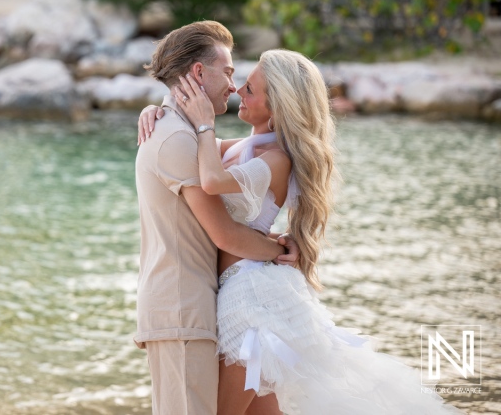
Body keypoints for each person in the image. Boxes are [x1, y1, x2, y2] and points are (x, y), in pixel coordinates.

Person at [139, 48, 461, 414]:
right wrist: (159, 112)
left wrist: (203, 122)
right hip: (243, 290)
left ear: (277, 107)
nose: (237, 91)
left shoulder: (276, 159)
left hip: (249, 298)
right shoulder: (247, 146)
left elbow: (211, 180)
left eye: (250, 89)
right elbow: (189, 148)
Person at [134, 21, 299, 415]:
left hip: (207, 305)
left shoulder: (183, 132)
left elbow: (232, 158)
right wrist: (280, 249)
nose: (233, 84)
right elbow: (223, 233)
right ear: (197, 73)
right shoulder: (177, 137)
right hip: (182, 308)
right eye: (228, 72)